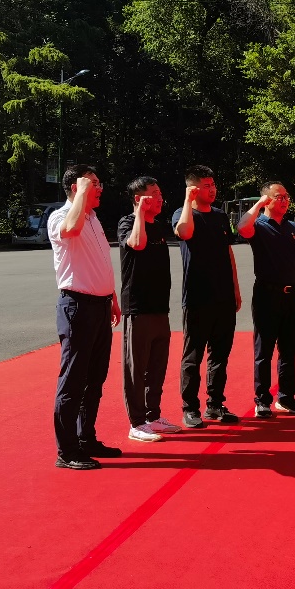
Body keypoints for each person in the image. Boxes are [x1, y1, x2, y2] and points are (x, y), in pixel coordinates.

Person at [48, 163, 122, 470]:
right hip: (77, 307)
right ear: (76, 188)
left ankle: (85, 438)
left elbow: (99, 262)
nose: (100, 188)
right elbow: (71, 230)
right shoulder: (60, 217)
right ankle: (67, 450)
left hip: (100, 306)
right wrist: (81, 192)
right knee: (73, 380)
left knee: (94, 380)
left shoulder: (93, 218)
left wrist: (111, 297)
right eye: (94, 184)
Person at [172, 165, 243, 428]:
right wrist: (187, 201)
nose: (212, 190)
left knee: (220, 355)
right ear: (192, 188)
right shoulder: (182, 214)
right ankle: (190, 408)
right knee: (193, 356)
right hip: (197, 297)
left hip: (223, 297)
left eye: (213, 185)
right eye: (206, 185)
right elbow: (184, 233)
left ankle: (215, 404)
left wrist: (235, 288)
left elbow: (228, 253)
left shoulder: (220, 216)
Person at [236, 181, 295, 419]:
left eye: (286, 197)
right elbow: (242, 228)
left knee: (289, 350)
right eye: (279, 197)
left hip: (292, 296)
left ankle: (286, 397)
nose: (285, 200)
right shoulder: (258, 226)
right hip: (266, 295)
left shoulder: (293, 228)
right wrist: (259, 204)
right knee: (264, 351)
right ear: (267, 200)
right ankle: (262, 400)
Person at [118, 176, 180, 443]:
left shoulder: (159, 226)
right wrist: (140, 214)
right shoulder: (127, 223)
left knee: (156, 367)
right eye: (153, 194)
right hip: (138, 307)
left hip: (159, 307)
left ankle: (153, 416)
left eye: (160, 192)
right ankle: (137, 423)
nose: (160, 198)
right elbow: (137, 244)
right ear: (138, 198)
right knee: (136, 368)